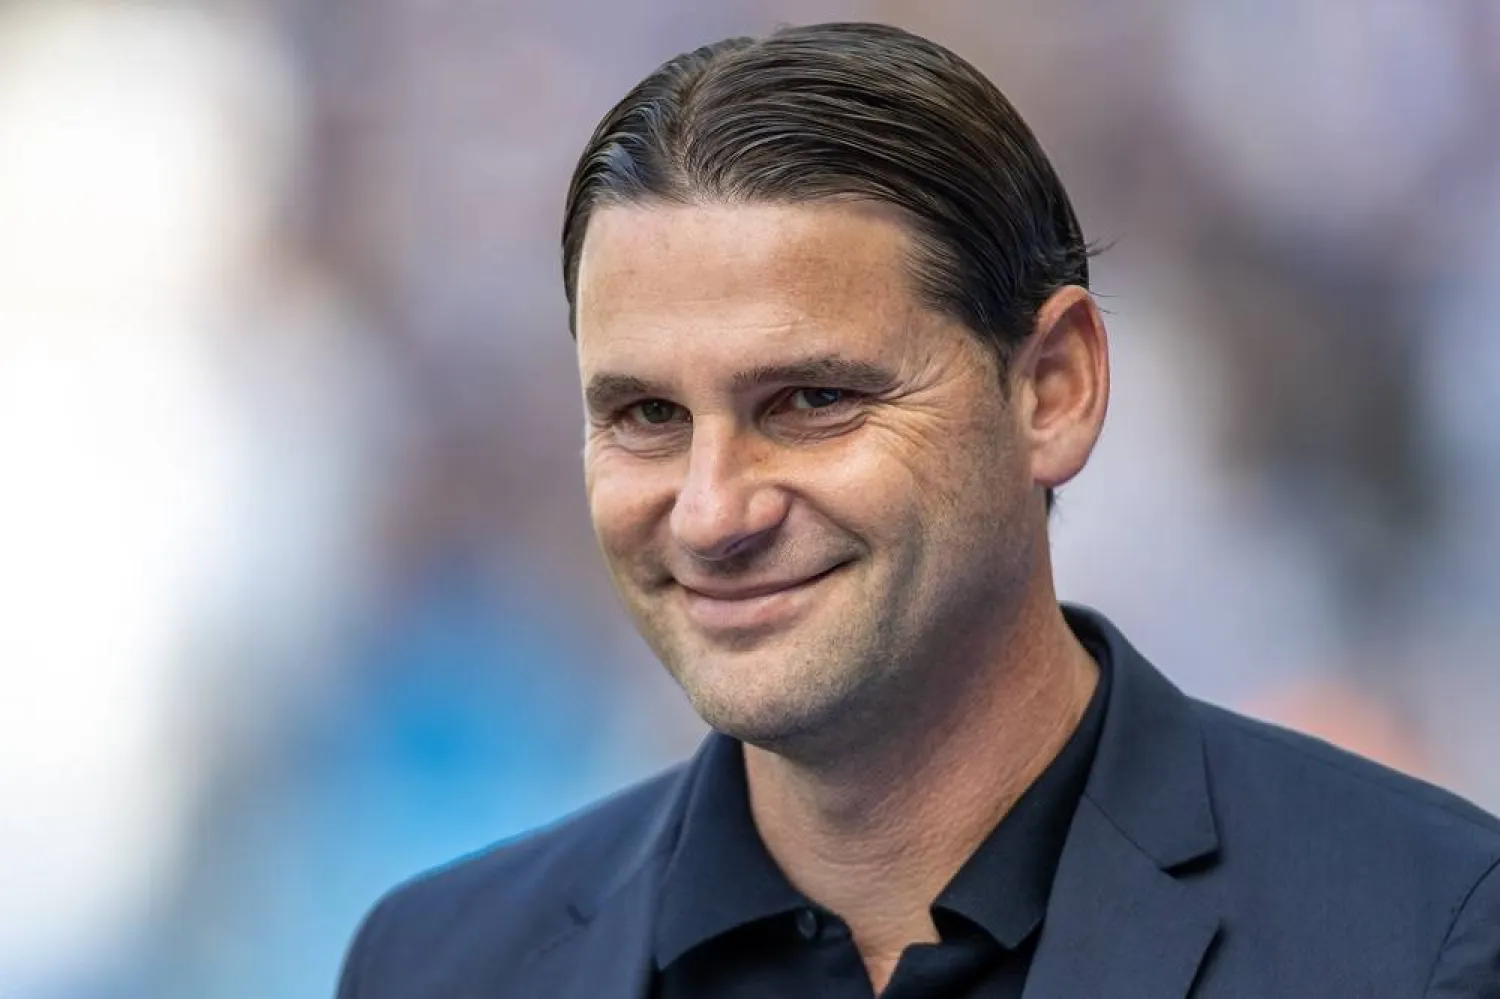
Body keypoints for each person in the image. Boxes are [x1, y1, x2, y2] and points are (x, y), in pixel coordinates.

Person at [336, 22, 1500, 998]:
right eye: (646, 415)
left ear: (1056, 389)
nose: (709, 512)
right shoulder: (442, 965)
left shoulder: (1422, 937)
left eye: (811, 400)